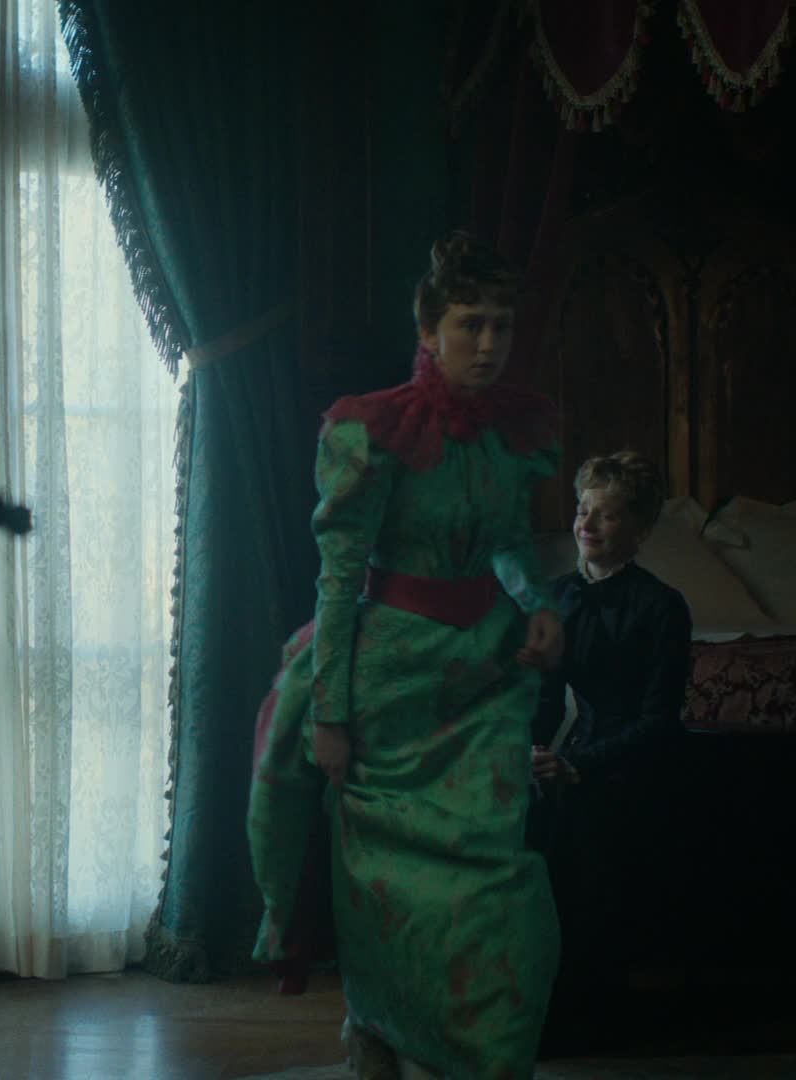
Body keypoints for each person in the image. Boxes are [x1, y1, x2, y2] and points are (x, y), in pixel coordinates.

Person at [248, 232, 564, 1080]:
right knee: (384, 887)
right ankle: (378, 1024)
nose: (489, 344)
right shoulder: (375, 432)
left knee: (498, 887)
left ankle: (485, 1058)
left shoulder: (513, 432)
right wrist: (331, 714)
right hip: (388, 685)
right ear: (429, 330)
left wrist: (537, 603)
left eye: (501, 325)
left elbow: (508, 540)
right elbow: (339, 579)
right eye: (470, 325)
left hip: (485, 682)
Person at [526, 451, 693, 1055]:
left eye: (607, 514)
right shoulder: (557, 597)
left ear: (639, 529)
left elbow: (658, 721)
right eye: (582, 509)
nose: (587, 524)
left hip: (637, 761)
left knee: (591, 837)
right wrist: (532, 752)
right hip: (579, 753)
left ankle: (590, 1016)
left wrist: (579, 766)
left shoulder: (661, 605)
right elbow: (546, 700)